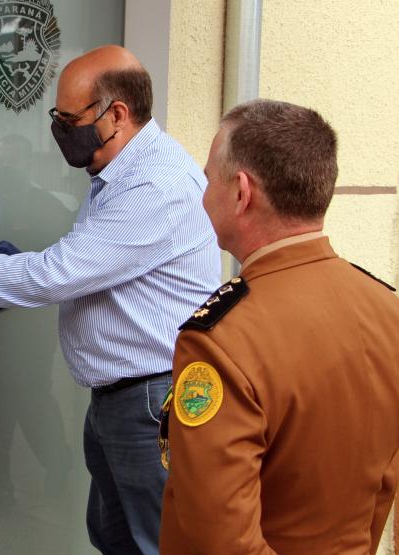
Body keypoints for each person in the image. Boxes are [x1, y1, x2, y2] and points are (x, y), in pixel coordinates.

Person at [0, 45, 220, 554]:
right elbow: (93, 274)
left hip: (149, 403)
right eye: (57, 116)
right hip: (123, 398)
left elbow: (59, 273)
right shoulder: (117, 173)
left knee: (154, 543)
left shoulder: (155, 185)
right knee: (116, 538)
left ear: (117, 114)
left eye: (69, 119)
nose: (59, 131)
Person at [160, 100, 399, 553]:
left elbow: (220, 538)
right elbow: (382, 487)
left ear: (241, 193)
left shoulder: (221, 341)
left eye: (209, 178)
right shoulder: (387, 309)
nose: (203, 194)